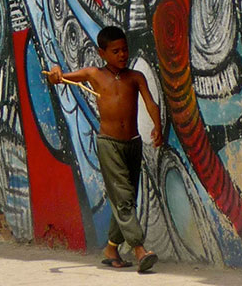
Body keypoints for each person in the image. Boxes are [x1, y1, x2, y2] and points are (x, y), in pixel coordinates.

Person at [47, 26, 163, 272]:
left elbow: (151, 103)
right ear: (102, 53)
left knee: (127, 198)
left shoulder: (135, 77)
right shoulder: (94, 74)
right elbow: (60, 77)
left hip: (133, 143)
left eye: (124, 50)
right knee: (123, 198)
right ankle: (139, 248)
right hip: (109, 144)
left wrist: (158, 126)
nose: (122, 55)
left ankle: (111, 248)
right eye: (116, 51)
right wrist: (55, 74)